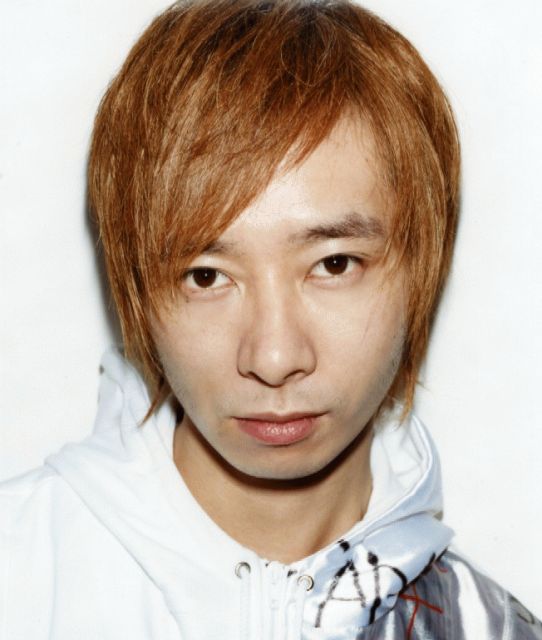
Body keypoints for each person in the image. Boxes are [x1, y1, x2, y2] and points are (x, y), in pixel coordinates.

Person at [1, 0, 540, 638]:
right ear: (137, 294)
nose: (275, 357)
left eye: (334, 264)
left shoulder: (490, 627)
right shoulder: (18, 579)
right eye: (206, 276)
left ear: (422, 273)